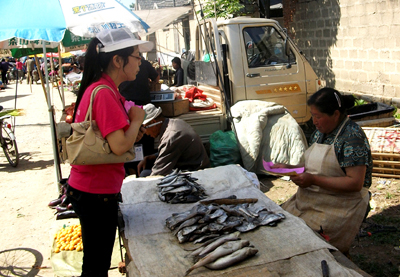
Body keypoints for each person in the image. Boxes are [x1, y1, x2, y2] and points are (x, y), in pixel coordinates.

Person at [66, 27, 153, 277]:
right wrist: (136, 120)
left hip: (93, 190)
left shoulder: (105, 88)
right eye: (137, 56)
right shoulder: (104, 92)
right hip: (95, 193)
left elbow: (114, 140)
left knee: (96, 261)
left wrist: (131, 132)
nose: (140, 63)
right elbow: (117, 146)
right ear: (118, 60)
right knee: (96, 266)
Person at [272, 87, 372, 254]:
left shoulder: (352, 137)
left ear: (335, 114)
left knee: (315, 246)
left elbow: (355, 183)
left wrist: (313, 180)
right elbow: (316, 166)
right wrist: (292, 169)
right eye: (312, 115)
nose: (314, 121)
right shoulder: (320, 133)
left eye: (318, 116)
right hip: (312, 198)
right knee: (283, 224)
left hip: (341, 204)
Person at [137, 103, 210, 176]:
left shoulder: (171, 137)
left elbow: (157, 174)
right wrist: (150, 158)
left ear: (154, 122)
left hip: (195, 172)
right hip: (191, 164)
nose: (145, 133)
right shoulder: (175, 122)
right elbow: (170, 150)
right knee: (148, 167)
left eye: (145, 127)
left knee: (144, 174)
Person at [119, 55, 160, 176]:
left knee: (133, 141)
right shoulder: (145, 64)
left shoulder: (122, 65)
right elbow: (156, 78)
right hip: (140, 109)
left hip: (128, 109)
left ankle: (134, 170)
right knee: (143, 139)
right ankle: (141, 170)